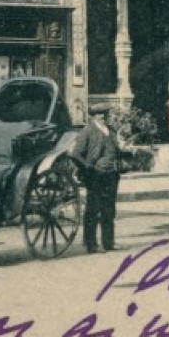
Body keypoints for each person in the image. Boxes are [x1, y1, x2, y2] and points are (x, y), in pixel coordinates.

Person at [73, 104, 122, 253]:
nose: (103, 116)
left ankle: (109, 242)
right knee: (93, 210)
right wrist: (88, 168)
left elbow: (116, 150)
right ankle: (91, 244)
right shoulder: (87, 131)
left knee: (109, 209)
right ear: (93, 116)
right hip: (96, 175)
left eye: (104, 113)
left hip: (111, 174)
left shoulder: (111, 130)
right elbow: (75, 154)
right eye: (99, 114)